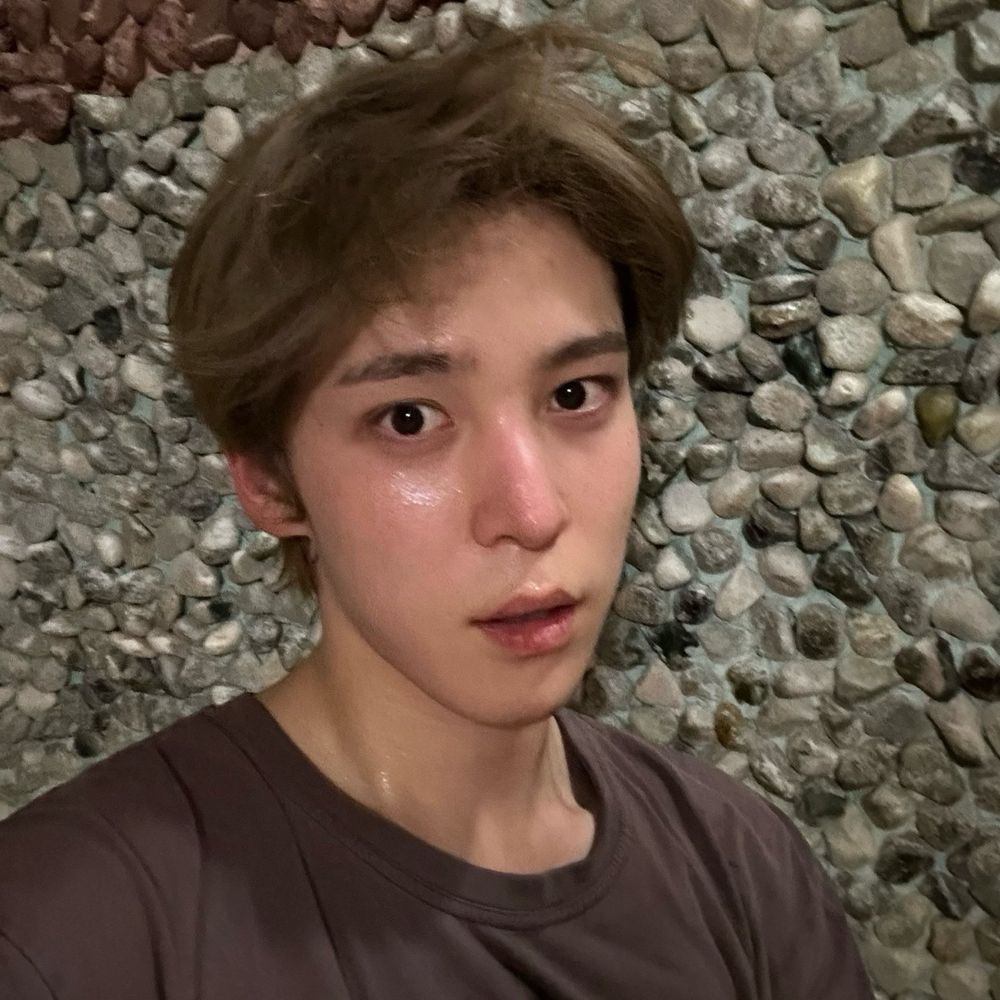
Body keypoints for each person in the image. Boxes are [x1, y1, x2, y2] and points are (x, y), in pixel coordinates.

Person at [0, 20, 875, 1000]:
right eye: (409, 417)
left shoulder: (744, 867)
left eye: (575, 393)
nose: (530, 512)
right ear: (270, 482)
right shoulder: (67, 929)